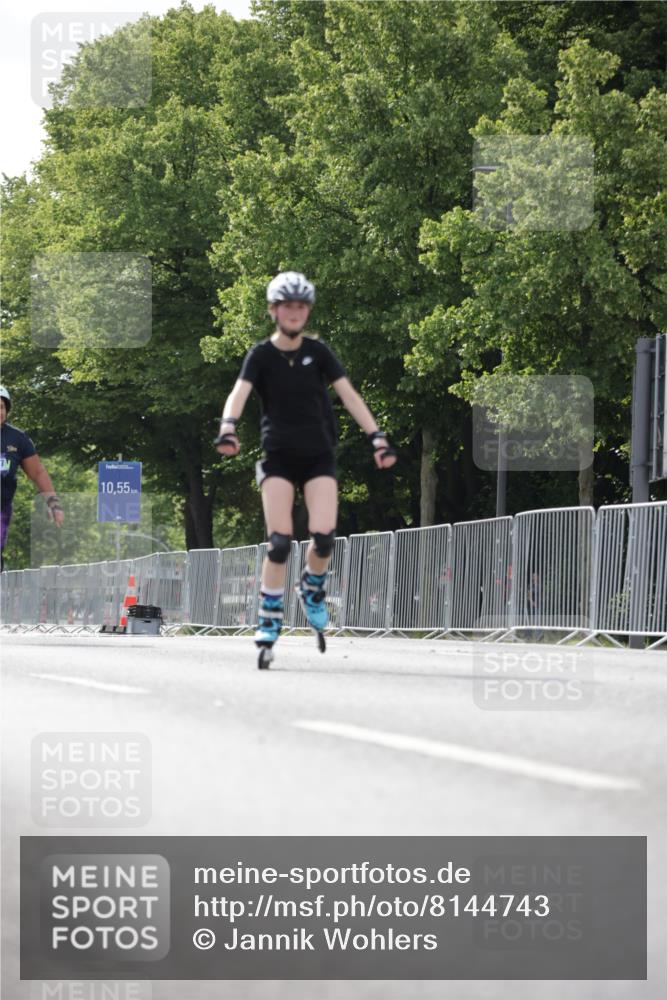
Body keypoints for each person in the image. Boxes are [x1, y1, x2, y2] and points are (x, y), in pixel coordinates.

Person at [214, 271, 396, 664]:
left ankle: (312, 588)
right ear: (273, 311)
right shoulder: (261, 355)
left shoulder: (320, 351)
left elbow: (350, 396)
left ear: (307, 311)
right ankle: (269, 617)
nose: (294, 313)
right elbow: (238, 394)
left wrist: (377, 437)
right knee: (279, 543)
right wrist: (228, 427)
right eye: (287, 306)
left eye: (301, 306)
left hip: (318, 457)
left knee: (324, 539)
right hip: (277, 457)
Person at [0, 386, 64, 570]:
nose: (0, 412)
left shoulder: (17, 439)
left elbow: (37, 473)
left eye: (2, 407)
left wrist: (54, 503)